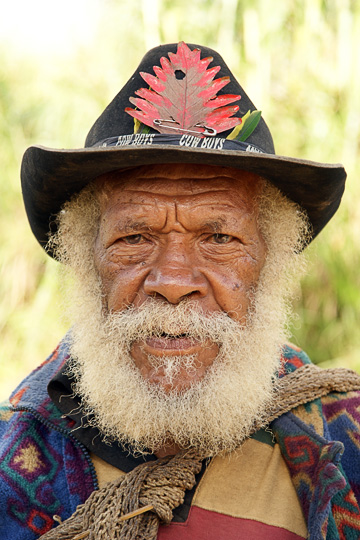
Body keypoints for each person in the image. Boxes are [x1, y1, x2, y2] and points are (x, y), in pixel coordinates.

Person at [1, 41, 360, 540]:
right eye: (134, 238)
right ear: (88, 263)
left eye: (218, 239)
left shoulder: (344, 437)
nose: (172, 281)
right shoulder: (13, 455)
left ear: (269, 266)